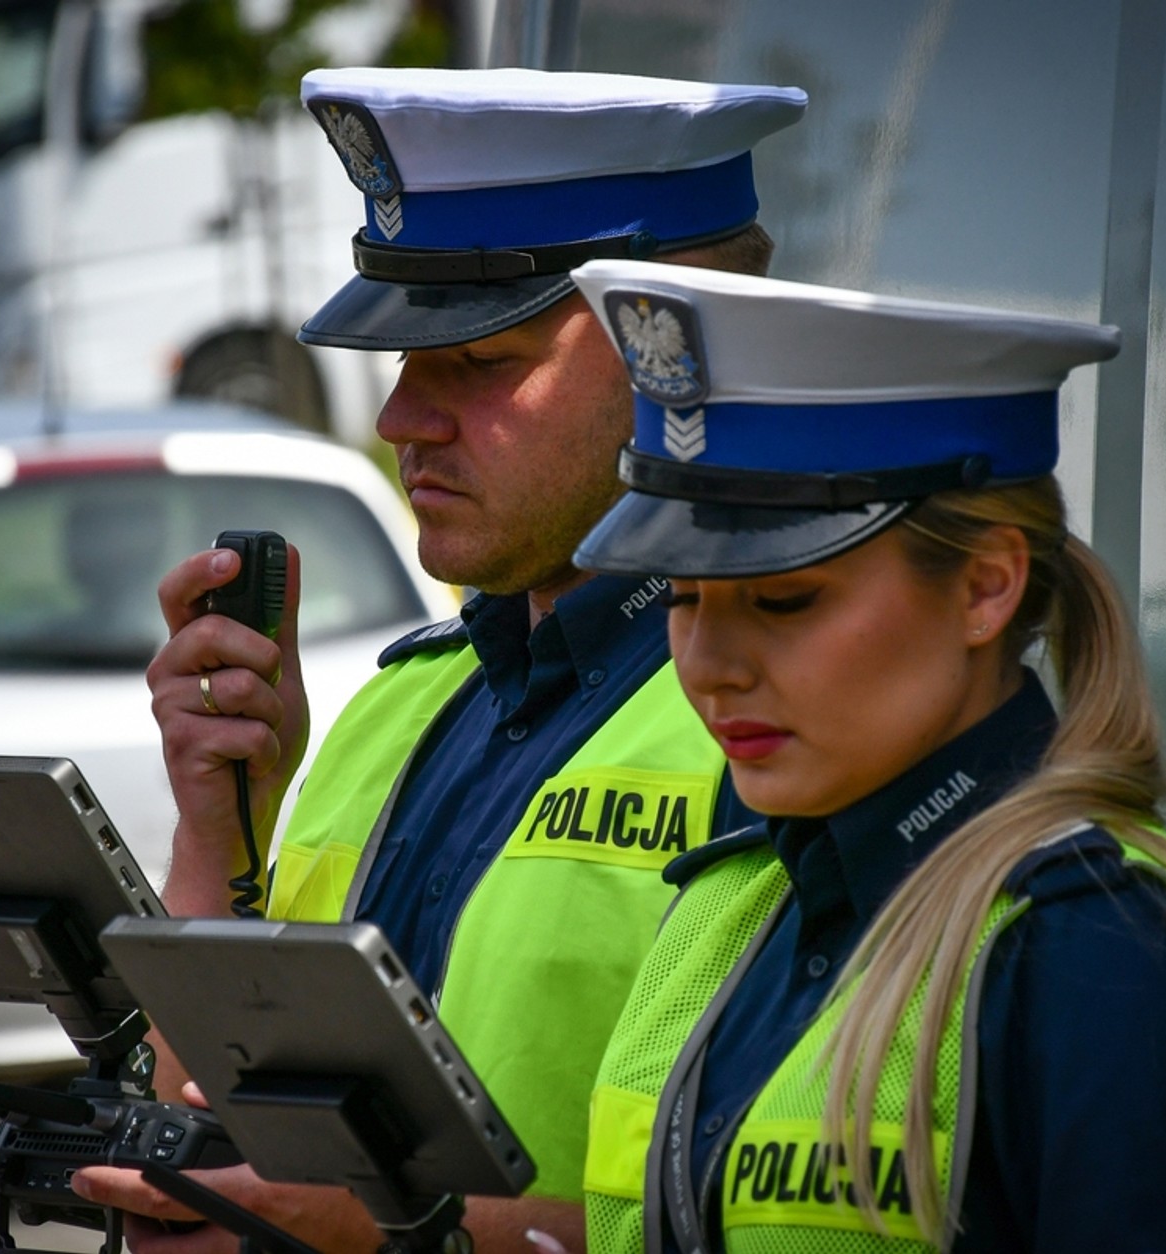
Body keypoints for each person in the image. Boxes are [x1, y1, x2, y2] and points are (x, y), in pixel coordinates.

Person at [72, 69, 806, 1251]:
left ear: (680, 355)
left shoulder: (782, 730)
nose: (401, 418)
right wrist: (219, 828)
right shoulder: (399, 705)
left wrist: (378, 1232)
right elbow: (199, 1117)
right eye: (406, 361)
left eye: (480, 363)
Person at [563, 260, 1166, 1253]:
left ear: (984, 587)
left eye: (782, 599)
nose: (705, 667)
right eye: (682, 597)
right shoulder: (729, 909)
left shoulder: (1106, 962)